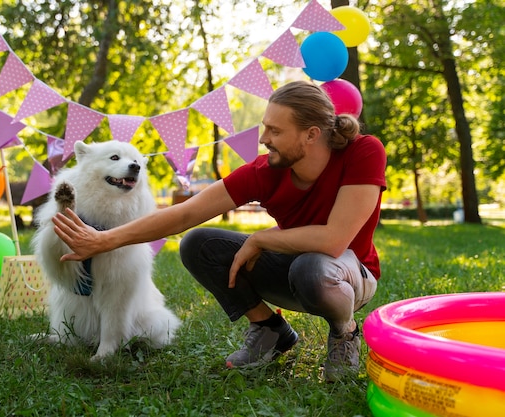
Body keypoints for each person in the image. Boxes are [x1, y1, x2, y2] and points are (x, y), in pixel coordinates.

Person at [51, 80, 387, 382]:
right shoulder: (267, 168)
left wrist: (261, 238)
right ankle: (270, 330)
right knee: (199, 243)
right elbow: (186, 214)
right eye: (264, 127)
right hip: (292, 267)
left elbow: (334, 240)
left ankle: (344, 334)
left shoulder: (363, 151)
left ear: (311, 134)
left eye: (275, 131)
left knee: (312, 266)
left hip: (346, 275)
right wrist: (102, 240)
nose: (264, 138)